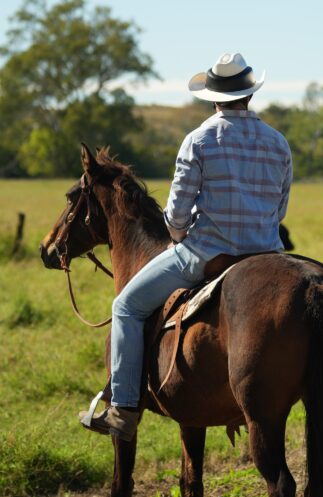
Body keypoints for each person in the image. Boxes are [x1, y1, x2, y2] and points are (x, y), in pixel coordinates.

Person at [79, 53, 293, 440]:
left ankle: (123, 409)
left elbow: (176, 216)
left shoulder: (199, 139)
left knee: (125, 306)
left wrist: (180, 237)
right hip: (267, 254)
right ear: (249, 95)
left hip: (206, 255)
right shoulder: (278, 143)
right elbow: (279, 209)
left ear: (213, 98)